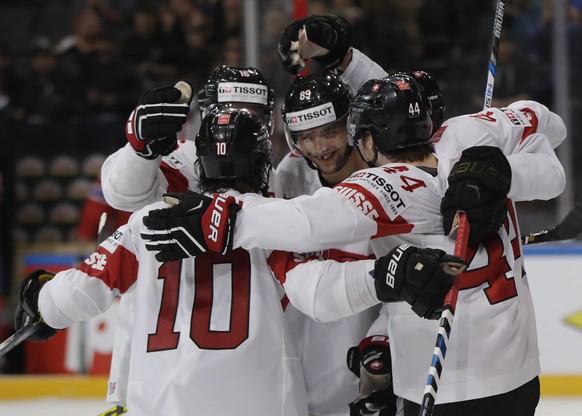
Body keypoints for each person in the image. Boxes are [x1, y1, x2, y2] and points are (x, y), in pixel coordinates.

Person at [140, 73, 567, 416]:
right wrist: (506, 170)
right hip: (520, 376)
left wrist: (223, 219)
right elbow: (551, 126)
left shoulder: (386, 185)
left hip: (447, 384)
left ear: (366, 140)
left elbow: (306, 222)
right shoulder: (472, 135)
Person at [14, 109, 309, 416]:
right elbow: (322, 293)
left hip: (164, 403)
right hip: (260, 400)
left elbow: (81, 290)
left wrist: (43, 301)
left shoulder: (145, 221)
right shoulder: (277, 221)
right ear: (262, 164)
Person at [100, 64, 275, 212]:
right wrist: (141, 155)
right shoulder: (183, 158)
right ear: (206, 116)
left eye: (253, 118)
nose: (239, 128)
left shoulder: (277, 175)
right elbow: (125, 196)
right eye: (229, 116)